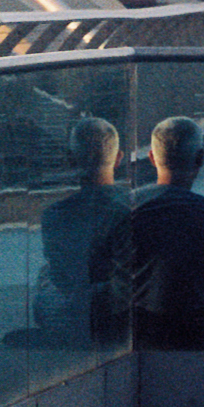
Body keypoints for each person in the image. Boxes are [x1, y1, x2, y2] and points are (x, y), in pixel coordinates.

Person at [120, 114, 204, 345]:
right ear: (200, 158)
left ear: (152, 158)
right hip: (196, 328)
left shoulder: (123, 208)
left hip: (136, 327)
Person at [35, 117, 135, 345]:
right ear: (118, 159)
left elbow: (62, 280)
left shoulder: (54, 216)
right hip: (120, 328)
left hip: (76, 327)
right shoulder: (133, 209)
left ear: (71, 159)